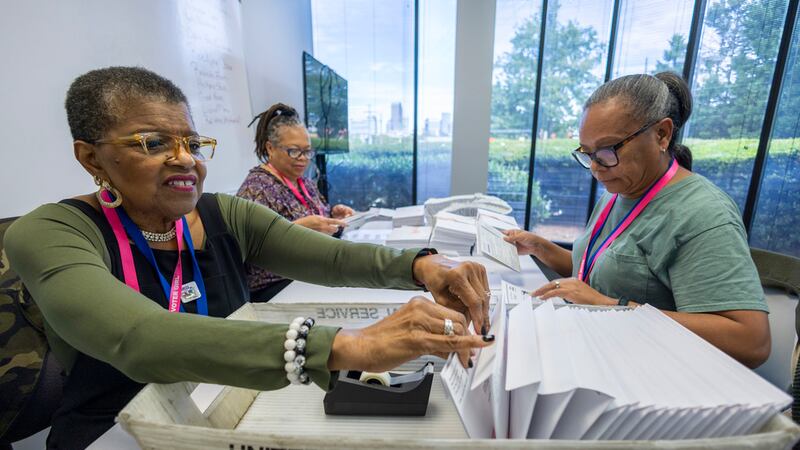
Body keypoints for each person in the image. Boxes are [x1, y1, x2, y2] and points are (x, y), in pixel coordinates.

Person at [3, 67, 493, 449]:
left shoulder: (226, 214)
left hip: (227, 411)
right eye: (153, 143)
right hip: (116, 431)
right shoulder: (50, 233)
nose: (184, 159)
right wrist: (349, 345)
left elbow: (333, 259)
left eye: (192, 143)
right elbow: (141, 338)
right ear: (91, 158)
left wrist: (422, 266)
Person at [504, 72, 770, 369]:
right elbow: (602, 273)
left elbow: (752, 341)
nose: (595, 166)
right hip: (598, 352)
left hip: (652, 373)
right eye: (587, 153)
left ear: (662, 135)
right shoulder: (618, 191)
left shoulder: (703, 213)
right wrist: (541, 248)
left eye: (608, 150)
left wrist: (609, 307)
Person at [238, 103, 354, 300]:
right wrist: (296, 230)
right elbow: (248, 248)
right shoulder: (257, 188)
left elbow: (319, 215)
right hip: (276, 288)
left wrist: (333, 213)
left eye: (307, 151)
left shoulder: (305, 183)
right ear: (270, 148)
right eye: (294, 151)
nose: (302, 159)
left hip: (310, 274)